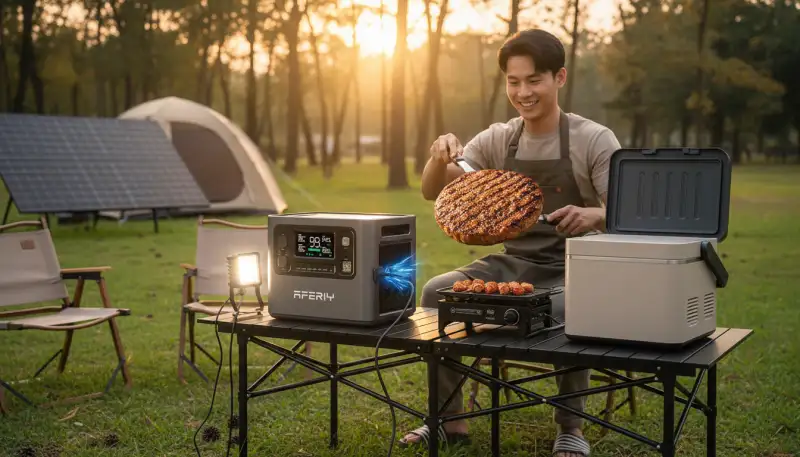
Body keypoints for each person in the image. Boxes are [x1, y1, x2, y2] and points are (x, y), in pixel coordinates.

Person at [398, 29, 622, 457]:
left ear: (559, 78)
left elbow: (628, 213)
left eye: (534, 80)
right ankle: (448, 419)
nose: (523, 92)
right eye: (513, 82)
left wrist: (594, 214)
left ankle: (570, 427)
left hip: (578, 264)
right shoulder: (499, 138)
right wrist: (436, 157)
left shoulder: (592, 139)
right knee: (434, 291)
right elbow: (433, 192)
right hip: (515, 261)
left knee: (573, 309)